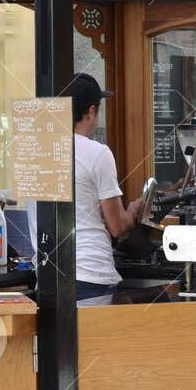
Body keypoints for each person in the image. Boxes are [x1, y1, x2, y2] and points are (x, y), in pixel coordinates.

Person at [71, 73, 143, 301]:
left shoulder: (39, 152)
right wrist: (134, 210)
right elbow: (117, 227)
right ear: (91, 111)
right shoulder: (97, 152)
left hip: (48, 273)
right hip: (91, 273)